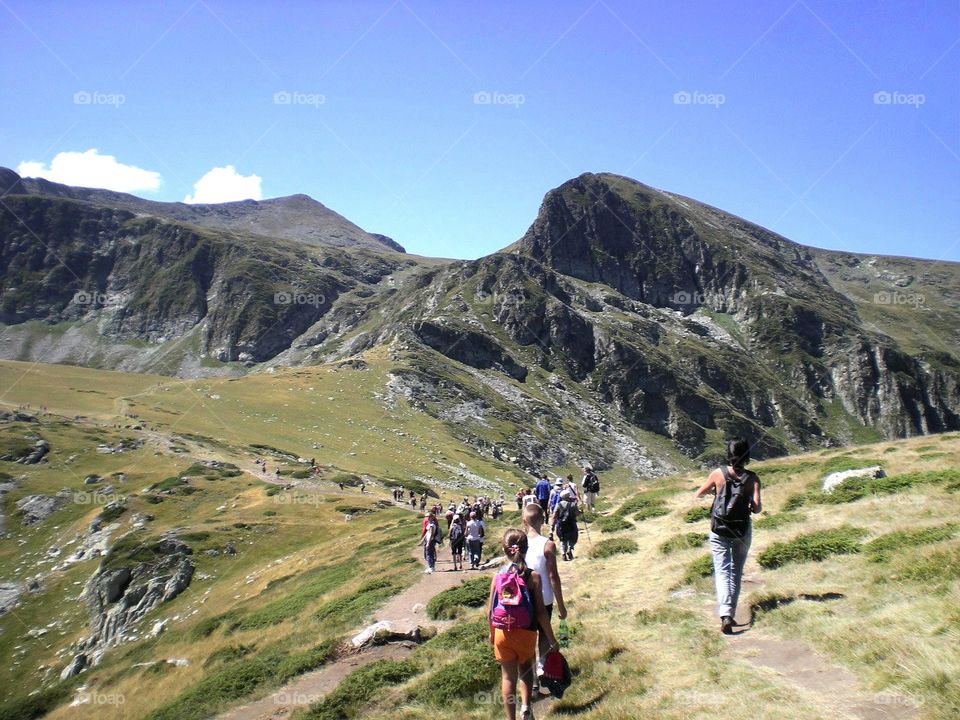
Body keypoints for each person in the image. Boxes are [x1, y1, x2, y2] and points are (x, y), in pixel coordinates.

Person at [488, 529, 558, 720]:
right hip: (526, 633)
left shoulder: (497, 577)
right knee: (526, 669)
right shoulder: (533, 577)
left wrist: (492, 635)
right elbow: (542, 613)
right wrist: (551, 639)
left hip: (503, 632)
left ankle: (511, 718)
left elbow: (490, 611)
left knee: (507, 677)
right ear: (526, 549)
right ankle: (526, 707)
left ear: (505, 550)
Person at [695, 437, 762, 634]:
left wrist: (714, 493)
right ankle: (730, 612)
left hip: (719, 530)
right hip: (741, 530)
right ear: (747, 456)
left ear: (728, 454)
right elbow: (757, 508)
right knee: (736, 571)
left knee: (722, 571)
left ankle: (725, 614)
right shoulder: (752, 478)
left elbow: (698, 493)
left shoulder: (718, 474)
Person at [523, 503, 566, 692]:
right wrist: (562, 605)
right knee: (543, 634)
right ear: (542, 519)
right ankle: (542, 668)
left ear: (524, 521)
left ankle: (532, 680)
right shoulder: (548, 545)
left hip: (524, 601)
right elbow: (553, 577)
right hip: (546, 598)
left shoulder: (519, 544)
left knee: (529, 638)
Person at [551, 489, 579, 561]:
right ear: (568, 496)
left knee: (563, 539)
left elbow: (554, 516)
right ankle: (570, 548)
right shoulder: (573, 504)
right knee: (573, 537)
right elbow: (577, 513)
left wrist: (552, 527)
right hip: (571, 524)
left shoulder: (558, 505)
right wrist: (581, 512)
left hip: (561, 525)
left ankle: (563, 554)